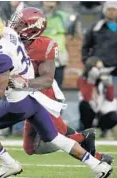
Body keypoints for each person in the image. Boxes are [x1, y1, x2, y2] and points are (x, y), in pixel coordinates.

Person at [0, 12, 112, 178]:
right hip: (33, 97)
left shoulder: (0, 56)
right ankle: (98, 166)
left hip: (19, 104)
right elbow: (0, 54)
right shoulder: (9, 34)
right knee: (55, 138)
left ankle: (9, 164)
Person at [8, 7, 113, 163]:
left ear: (32, 28)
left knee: (58, 136)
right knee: (31, 148)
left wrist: (21, 82)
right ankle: (88, 143)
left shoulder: (44, 45)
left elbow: (47, 80)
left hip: (43, 96)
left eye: (20, 24)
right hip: (26, 95)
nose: (15, 27)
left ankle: (90, 148)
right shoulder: (10, 41)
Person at [82, 1, 117, 96]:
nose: (112, 12)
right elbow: (86, 47)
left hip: (115, 71)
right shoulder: (96, 27)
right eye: (109, 9)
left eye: (114, 9)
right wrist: (89, 63)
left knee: (113, 99)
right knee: (97, 98)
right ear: (105, 11)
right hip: (99, 70)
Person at [78, 56, 117, 137]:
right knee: (83, 105)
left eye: (101, 68)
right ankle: (87, 130)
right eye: (97, 68)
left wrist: (109, 85)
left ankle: (104, 130)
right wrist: (91, 80)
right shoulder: (82, 79)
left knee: (114, 116)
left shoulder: (103, 80)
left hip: (100, 113)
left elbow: (110, 98)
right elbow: (86, 98)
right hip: (89, 111)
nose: (100, 71)